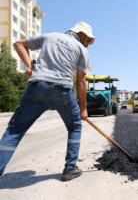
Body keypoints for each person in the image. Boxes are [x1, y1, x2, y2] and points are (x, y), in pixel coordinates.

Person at [0, 22, 95, 181]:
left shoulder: (50, 36)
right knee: (75, 126)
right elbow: (81, 82)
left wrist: (30, 66)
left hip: (38, 87)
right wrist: (83, 109)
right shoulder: (81, 50)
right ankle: (70, 168)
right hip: (62, 91)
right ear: (81, 34)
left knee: (15, 130)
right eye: (89, 40)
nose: (89, 43)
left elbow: (19, 44)